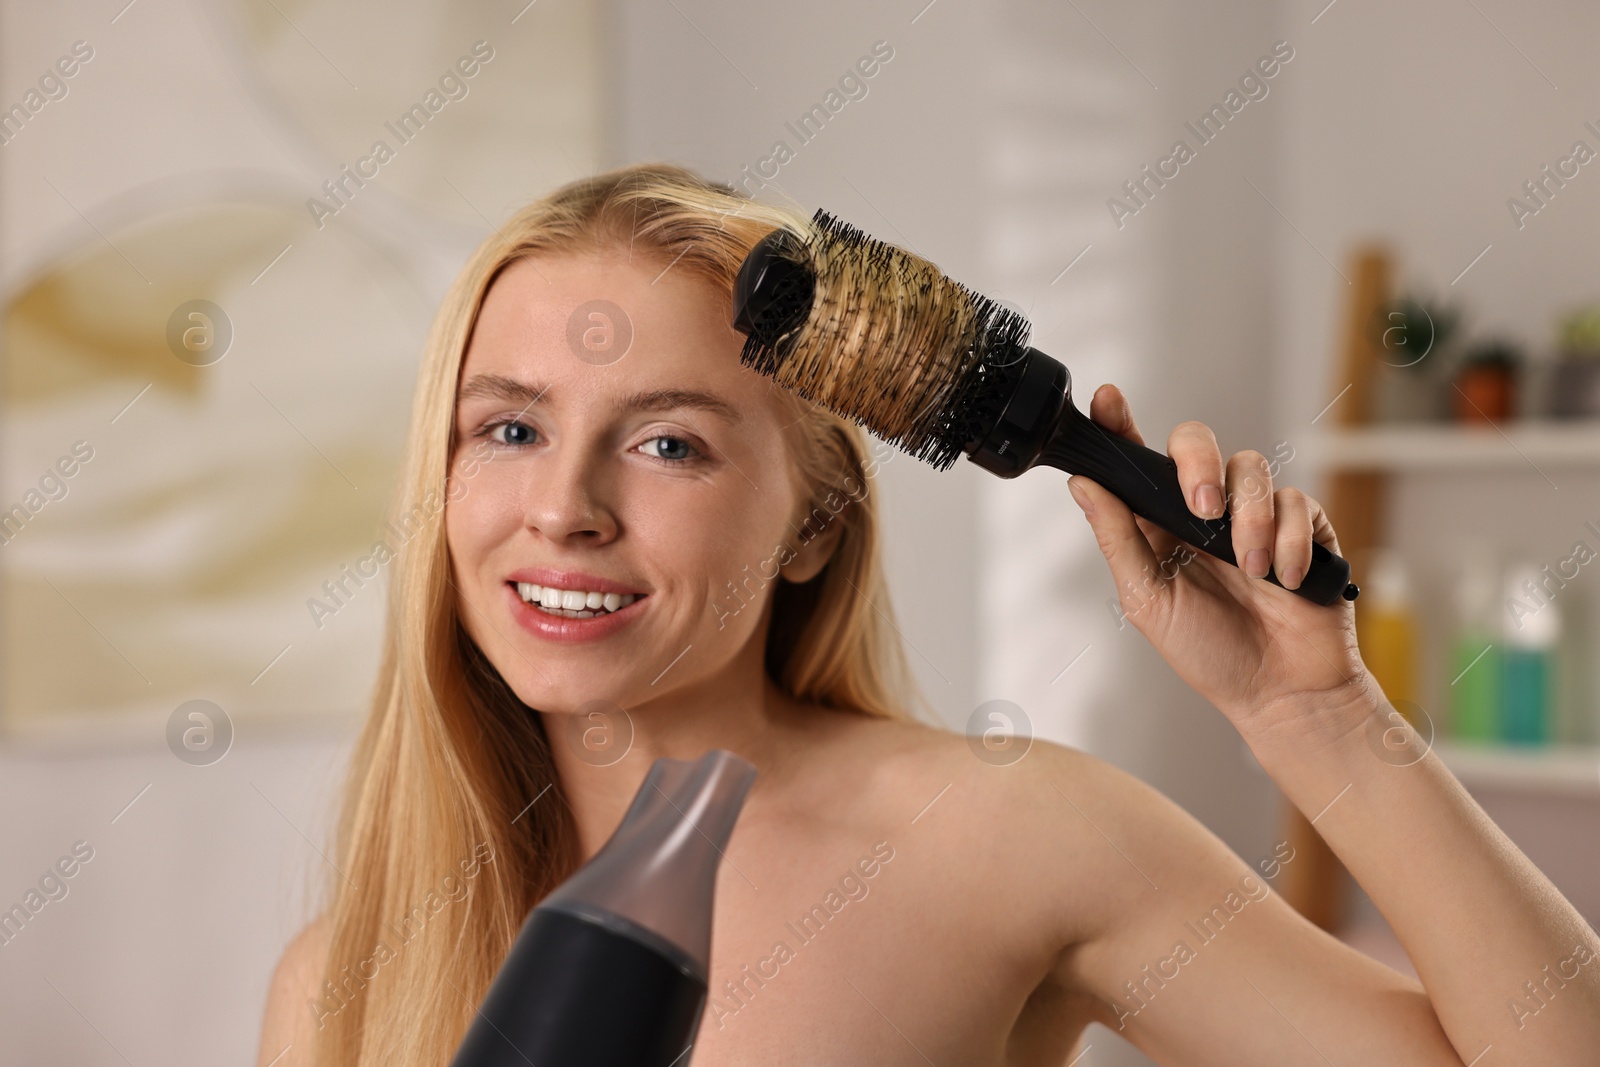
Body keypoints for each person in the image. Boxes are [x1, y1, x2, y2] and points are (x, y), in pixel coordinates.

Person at [256, 162, 1600, 1066]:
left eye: (669, 445)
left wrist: (1317, 716)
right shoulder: (349, 975)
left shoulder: (1002, 837)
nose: (563, 509)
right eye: (507, 427)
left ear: (814, 527)